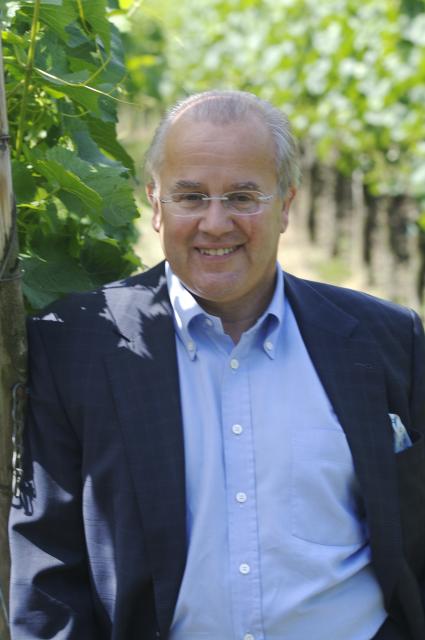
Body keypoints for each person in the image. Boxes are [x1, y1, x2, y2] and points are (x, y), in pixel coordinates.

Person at [9, 90, 425, 640]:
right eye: (190, 196)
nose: (215, 222)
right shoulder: (75, 347)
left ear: (287, 204)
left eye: (242, 197)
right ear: (155, 204)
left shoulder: (387, 338)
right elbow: (49, 570)